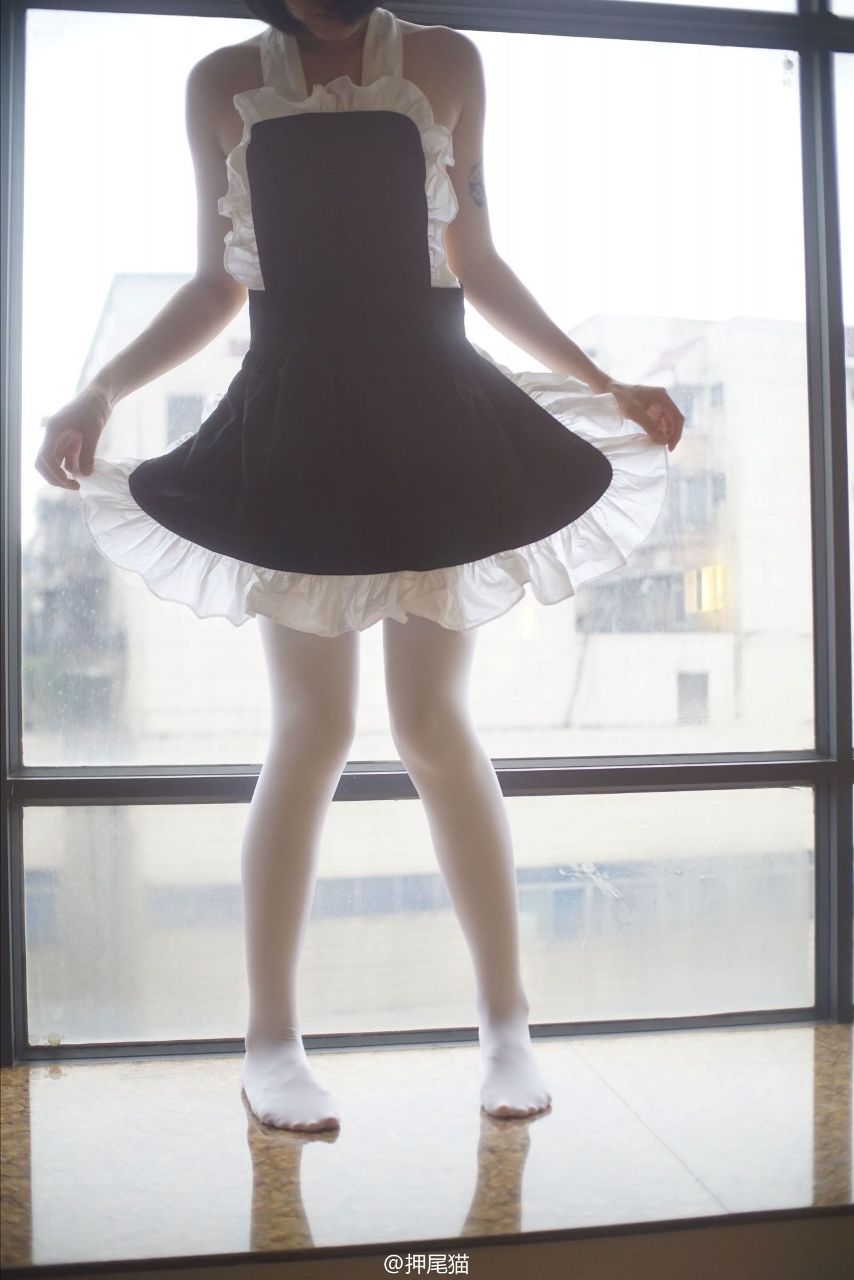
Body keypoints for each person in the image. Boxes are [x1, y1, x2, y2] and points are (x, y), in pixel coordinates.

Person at [34, 0, 683, 1132]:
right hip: (296, 420)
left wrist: (604, 381)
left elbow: (474, 258)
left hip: (434, 410)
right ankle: (271, 1041)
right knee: (312, 730)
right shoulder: (220, 80)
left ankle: (505, 1025)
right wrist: (99, 390)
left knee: (432, 723)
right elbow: (217, 282)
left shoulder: (445, 59)